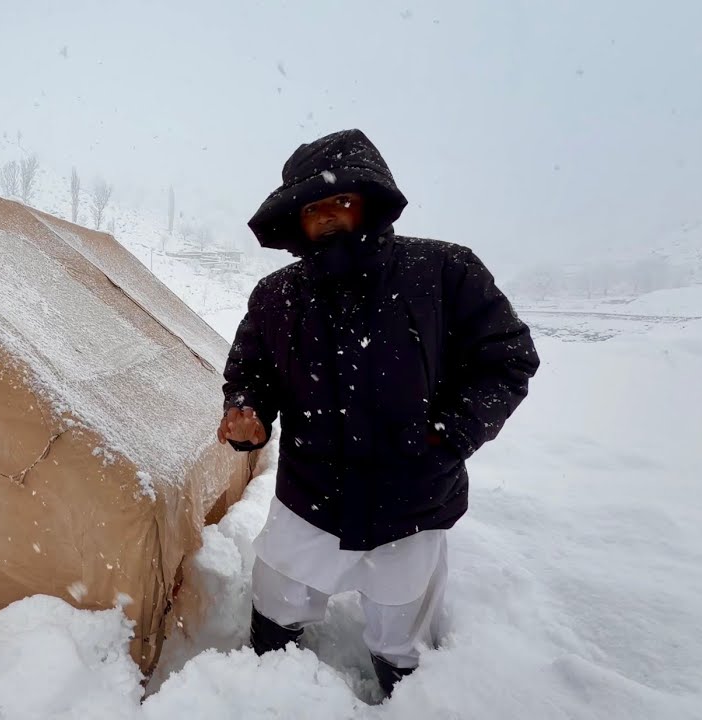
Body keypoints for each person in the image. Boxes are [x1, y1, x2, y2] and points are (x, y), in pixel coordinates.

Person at [218, 128, 539, 697]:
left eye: (342, 200)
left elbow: (507, 361)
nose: (331, 218)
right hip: (309, 495)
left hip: (413, 499)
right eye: (315, 208)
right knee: (279, 598)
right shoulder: (276, 295)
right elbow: (253, 373)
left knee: (401, 630)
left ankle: (405, 699)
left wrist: (450, 435)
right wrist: (247, 411)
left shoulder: (444, 272)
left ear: (370, 201)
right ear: (298, 220)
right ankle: (264, 692)